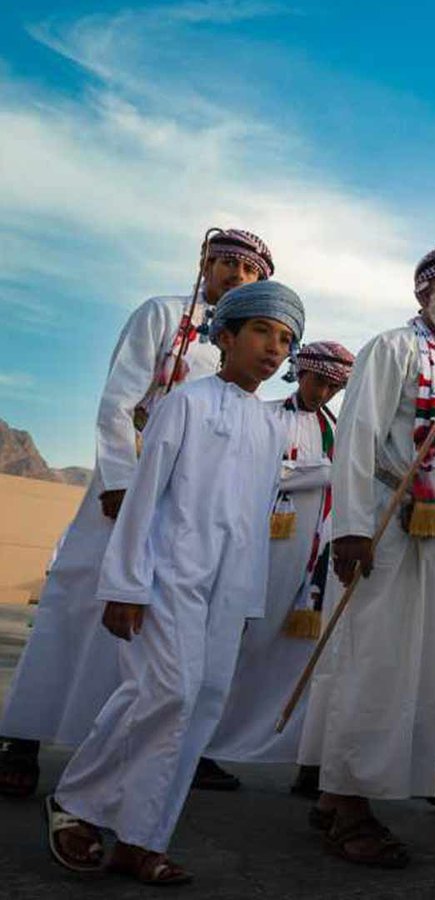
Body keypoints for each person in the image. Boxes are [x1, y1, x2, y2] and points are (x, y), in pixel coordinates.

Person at [44, 281, 303, 886]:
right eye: (263, 331)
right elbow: (145, 496)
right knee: (167, 695)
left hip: (228, 589)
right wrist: (126, 583)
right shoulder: (185, 402)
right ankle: (76, 800)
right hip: (168, 578)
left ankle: (142, 837)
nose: (274, 348)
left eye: (286, 339)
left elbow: (259, 519)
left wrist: (249, 600)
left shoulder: (269, 427)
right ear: (228, 337)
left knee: (201, 706)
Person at [0, 229, 273, 798]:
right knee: (78, 607)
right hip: (125, 489)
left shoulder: (240, 346)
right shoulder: (163, 314)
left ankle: (153, 754)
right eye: (225, 263)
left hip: (185, 502)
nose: (234, 276)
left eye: (248, 272)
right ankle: (21, 741)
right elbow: (117, 401)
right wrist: (123, 482)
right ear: (204, 262)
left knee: (158, 626)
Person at [300, 243, 435, 869]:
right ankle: (349, 803)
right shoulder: (391, 348)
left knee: (421, 671)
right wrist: (351, 530)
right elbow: (357, 436)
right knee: (375, 664)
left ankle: (346, 796)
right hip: (387, 529)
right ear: (423, 294)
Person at [206, 341, 354, 792]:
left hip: (317, 564)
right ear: (299, 372)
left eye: (334, 386)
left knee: (300, 658)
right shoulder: (267, 416)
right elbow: (270, 472)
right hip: (269, 552)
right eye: (318, 381)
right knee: (241, 649)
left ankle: (295, 755)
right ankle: (207, 746)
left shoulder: (339, 429)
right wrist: (332, 469)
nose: (323, 391)